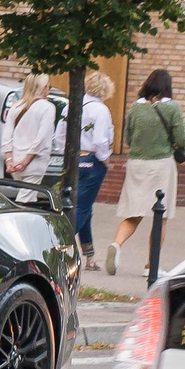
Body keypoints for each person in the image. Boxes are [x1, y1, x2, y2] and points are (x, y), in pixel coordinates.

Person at [108, 69, 184, 276]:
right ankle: (151, 266)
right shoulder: (172, 108)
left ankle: (116, 244)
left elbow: (128, 139)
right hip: (161, 164)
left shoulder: (135, 108)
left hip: (136, 164)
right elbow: (182, 138)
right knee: (161, 214)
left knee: (134, 212)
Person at [58, 71, 114, 254]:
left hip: (73, 159)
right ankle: (60, 247)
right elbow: (100, 140)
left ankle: (88, 252)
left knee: (82, 207)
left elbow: (59, 135)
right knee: (81, 207)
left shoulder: (71, 106)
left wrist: (65, 153)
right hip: (92, 160)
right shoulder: (101, 110)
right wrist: (105, 159)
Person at [3, 73, 58, 183]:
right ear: (43, 88)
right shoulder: (47, 107)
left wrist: (9, 160)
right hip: (34, 162)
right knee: (25, 198)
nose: (48, 89)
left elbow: (6, 136)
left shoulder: (16, 106)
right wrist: (25, 162)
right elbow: (41, 138)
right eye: (48, 86)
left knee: (27, 195)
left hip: (15, 160)